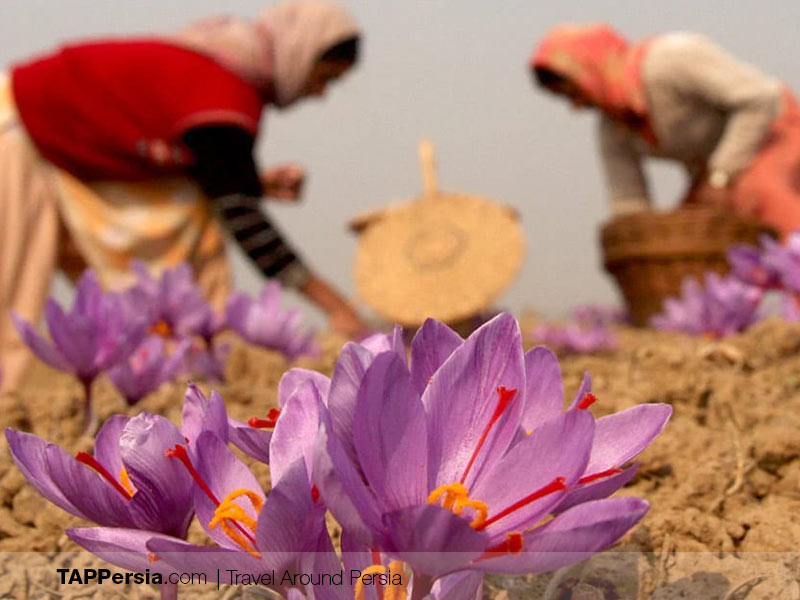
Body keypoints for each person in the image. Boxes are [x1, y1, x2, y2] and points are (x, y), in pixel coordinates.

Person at [0, 0, 367, 394]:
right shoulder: (224, 91)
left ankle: (166, 379)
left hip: (52, 140)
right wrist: (337, 307)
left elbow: (211, 175)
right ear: (300, 51)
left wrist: (251, 183)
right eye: (323, 77)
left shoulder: (221, 76)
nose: (319, 93)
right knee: (15, 291)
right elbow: (245, 222)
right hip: (20, 131)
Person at [531, 25, 800, 235]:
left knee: (759, 192)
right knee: (688, 230)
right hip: (716, 171)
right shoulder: (614, 127)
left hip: (774, 132)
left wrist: (721, 176)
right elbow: (628, 201)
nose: (576, 106)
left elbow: (759, 99)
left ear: (589, 69)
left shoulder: (670, 61)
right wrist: (636, 237)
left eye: (575, 92)